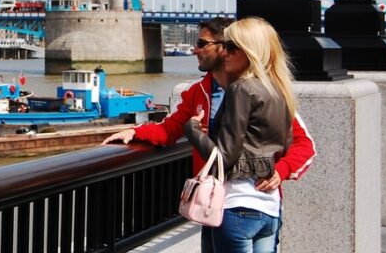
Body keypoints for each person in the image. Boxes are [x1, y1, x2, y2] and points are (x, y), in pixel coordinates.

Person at [102, 17, 315, 252]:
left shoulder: (259, 92)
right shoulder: (198, 92)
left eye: (203, 44)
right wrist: (135, 131)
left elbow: (305, 144)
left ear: (225, 47)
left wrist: (282, 170)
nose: (195, 50)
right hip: (216, 205)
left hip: (245, 206)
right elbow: (168, 129)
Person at [183, 17, 295, 252]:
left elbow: (223, 158)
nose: (225, 52)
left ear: (250, 52)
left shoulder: (241, 89)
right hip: (270, 208)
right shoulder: (280, 89)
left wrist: (192, 130)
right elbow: (285, 146)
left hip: (238, 206)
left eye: (232, 47)